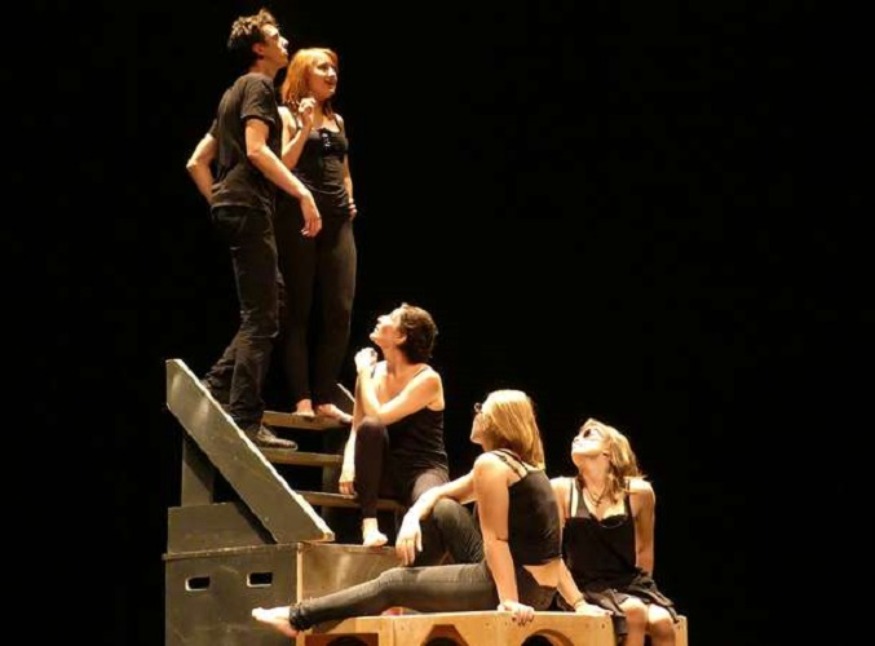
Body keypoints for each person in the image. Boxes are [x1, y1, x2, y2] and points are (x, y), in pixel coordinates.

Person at [252, 389, 562, 637]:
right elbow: (439, 493)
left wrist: (508, 602)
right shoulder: (520, 465)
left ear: (496, 421)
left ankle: (297, 617)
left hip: (514, 587)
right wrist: (412, 518)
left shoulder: (491, 464)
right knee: (444, 509)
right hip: (537, 586)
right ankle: (405, 592)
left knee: (391, 582)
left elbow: (497, 541)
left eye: (482, 408)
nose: (476, 413)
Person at [185, 8, 323, 449]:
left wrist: (221, 200)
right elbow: (258, 151)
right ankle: (245, 415)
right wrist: (303, 194)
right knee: (263, 314)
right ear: (259, 48)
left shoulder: (233, 93)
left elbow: (197, 162)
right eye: (277, 37)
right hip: (247, 205)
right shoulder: (259, 86)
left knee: (271, 304)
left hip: (236, 205)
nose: (285, 43)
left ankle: (214, 386)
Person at [274, 47, 357, 424]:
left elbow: (344, 169)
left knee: (340, 308)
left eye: (334, 68)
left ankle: (325, 395)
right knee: (299, 308)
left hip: (338, 222)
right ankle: (302, 398)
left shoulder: (338, 120)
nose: (331, 74)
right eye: (323, 67)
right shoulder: (286, 115)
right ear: (303, 74)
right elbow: (283, 164)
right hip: (300, 218)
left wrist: (350, 198)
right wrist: (305, 126)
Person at [551, 418, 679, 646]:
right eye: (578, 434)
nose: (577, 438)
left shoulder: (639, 493)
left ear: (609, 451)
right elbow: (552, 553)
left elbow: (644, 548)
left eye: (588, 434)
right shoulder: (562, 489)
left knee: (662, 621)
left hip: (627, 583)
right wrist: (577, 601)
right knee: (634, 612)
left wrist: (642, 591)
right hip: (584, 585)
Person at [339, 303, 450, 555]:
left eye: (390, 317)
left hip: (421, 468)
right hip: (385, 468)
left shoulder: (428, 378)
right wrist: (348, 464)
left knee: (433, 508)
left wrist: (363, 372)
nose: (380, 317)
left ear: (401, 337)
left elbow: (380, 415)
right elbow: (359, 426)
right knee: (370, 427)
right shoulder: (371, 374)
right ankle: (369, 525)